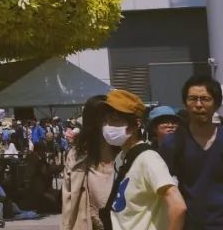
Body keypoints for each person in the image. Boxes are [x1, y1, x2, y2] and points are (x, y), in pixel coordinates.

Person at [99, 89, 185, 230]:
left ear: (136, 123)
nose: (108, 126)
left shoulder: (148, 159)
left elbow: (178, 206)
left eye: (115, 120)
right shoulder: (121, 158)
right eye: (106, 120)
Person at [159, 75, 223, 229]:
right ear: (185, 103)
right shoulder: (173, 142)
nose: (198, 105)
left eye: (205, 99)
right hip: (188, 224)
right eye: (193, 99)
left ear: (216, 104)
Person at [62, 95, 117, 230]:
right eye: (101, 118)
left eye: (111, 117)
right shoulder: (76, 157)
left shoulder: (127, 155)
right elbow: (68, 204)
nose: (106, 122)